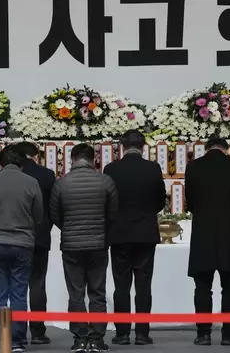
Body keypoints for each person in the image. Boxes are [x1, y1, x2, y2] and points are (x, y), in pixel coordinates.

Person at [50, 143, 118, 353]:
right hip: (98, 244)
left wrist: (69, 228)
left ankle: (80, 338)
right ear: (94, 159)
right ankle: (97, 339)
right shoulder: (105, 181)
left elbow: (55, 215)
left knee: (76, 293)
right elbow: (113, 213)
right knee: (97, 292)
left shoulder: (62, 183)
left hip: (71, 245)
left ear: (72, 159)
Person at [103, 130, 166, 345]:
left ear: (122, 146)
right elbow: (159, 200)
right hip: (145, 232)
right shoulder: (153, 168)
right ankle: (142, 333)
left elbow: (107, 202)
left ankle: (121, 333)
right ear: (143, 147)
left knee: (121, 285)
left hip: (119, 233)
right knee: (143, 285)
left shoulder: (111, 169)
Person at [184, 136, 230, 346]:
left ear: (206, 148)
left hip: (203, 232)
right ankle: (229, 334)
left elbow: (190, 202)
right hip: (229, 231)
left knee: (202, 287)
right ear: (226, 149)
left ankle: (203, 334)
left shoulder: (193, 167)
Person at [0, 144, 43, 353]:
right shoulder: (31, 182)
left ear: (0, 162)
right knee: (18, 293)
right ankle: (16, 341)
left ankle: (3, 340)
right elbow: (38, 216)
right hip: (23, 243)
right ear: (21, 162)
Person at [16, 141, 56, 345]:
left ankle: (17, 333)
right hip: (40, 236)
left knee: (16, 285)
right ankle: (39, 332)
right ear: (35, 155)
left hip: (16, 236)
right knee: (38, 284)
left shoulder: (14, 174)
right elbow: (53, 207)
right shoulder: (47, 175)